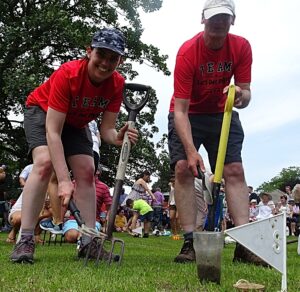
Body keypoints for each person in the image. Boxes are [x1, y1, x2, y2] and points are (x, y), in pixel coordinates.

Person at [10, 27, 138, 264]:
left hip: (77, 122)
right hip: (43, 112)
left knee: (88, 171)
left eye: (114, 58)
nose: (106, 63)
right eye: (101, 54)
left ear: (121, 60)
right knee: (45, 164)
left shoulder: (117, 84)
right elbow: (53, 132)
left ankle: (89, 243)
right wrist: (64, 181)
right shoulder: (68, 74)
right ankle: (25, 239)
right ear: (89, 52)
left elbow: (106, 130)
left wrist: (117, 137)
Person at [167, 0, 267, 266]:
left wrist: (240, 97)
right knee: (182, 168)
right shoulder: (188, 52)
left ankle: (244, 243)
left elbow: (245, 92)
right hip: (188, 114)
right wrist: (190, 152)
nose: (218, 23)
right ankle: (190, 241)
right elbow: (180, 110)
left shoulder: (241, 46)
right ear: (203, 19)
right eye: (213, 18)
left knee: (234, 171)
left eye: (224, 18)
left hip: (222, 113)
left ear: (232, 20)